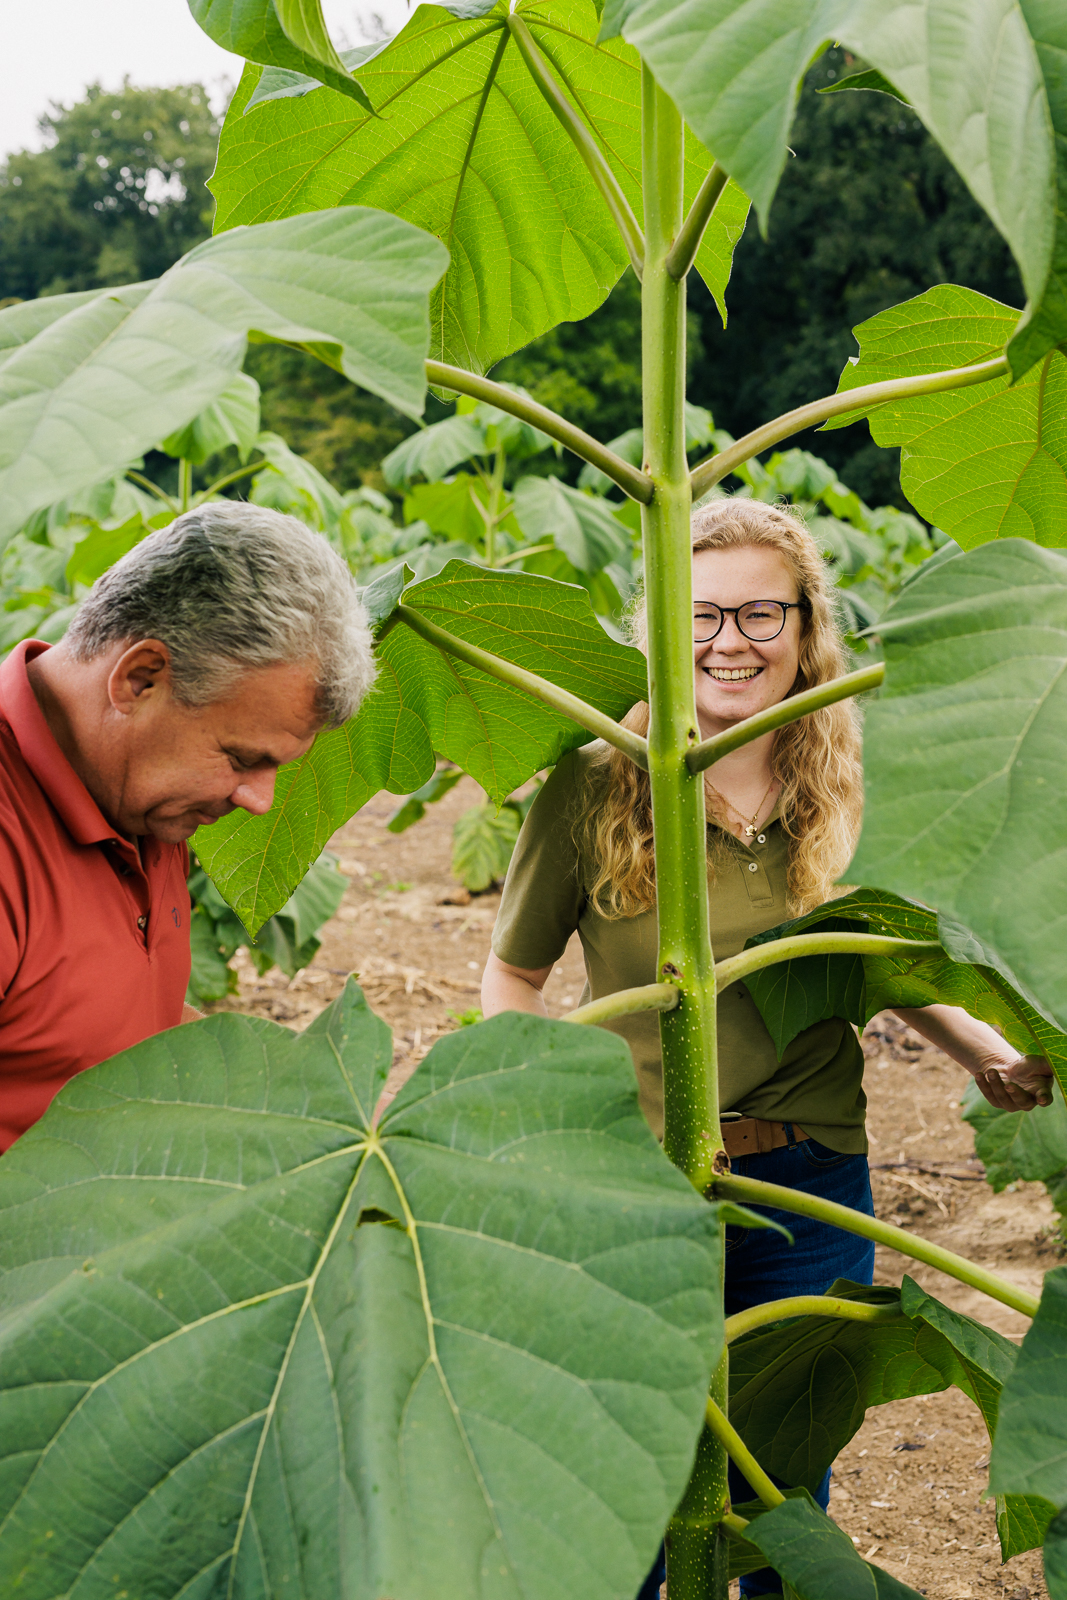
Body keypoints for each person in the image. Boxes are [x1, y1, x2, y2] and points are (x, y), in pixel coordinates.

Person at [481, 498, 1053, 1598]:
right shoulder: (598, 777)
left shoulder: (837, 778)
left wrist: (982, 1052)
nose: (729, 644)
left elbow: (873, 956)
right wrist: (529, 1105)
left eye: (758, 615)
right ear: (659, 627)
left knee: (781, 1488)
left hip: (810, 1175)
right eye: (700, 617)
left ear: (803, 630)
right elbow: (512, 970)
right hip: (632, 1181)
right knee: (633, 1471)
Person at [0, 501, 375, 1150]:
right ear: (140, 679)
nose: (259, 799)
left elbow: (110, 1018)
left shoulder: (139, 799)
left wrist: (294, 1091)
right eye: (240, 758)